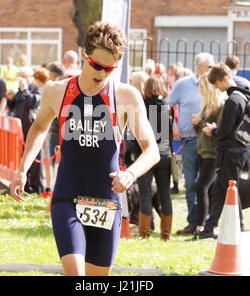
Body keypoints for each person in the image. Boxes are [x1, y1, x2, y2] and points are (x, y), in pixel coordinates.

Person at [9, 21, 160, 276]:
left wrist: (130, 174)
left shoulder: (125, 96)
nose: (101, 74)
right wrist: (22, 170)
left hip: (106, 203)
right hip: (68, 197)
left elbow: (152, 150)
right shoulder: (57, 91)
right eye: (97, 65)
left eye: (109, 68)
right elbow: (38, 128)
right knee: (75, 273)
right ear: (84, 55)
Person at [197, 62, 250, 239]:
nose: (217, 89)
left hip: (230, 152)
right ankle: (209, 228)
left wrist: (212, 130)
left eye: (217, 84)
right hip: (236, 150)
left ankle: (239, 228)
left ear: (225, 79)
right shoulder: (242, 96)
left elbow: (225, 131)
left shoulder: (232, 101)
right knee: (220, 191)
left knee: (230, 190)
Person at [169, 52, 214, 235]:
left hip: (209, 141)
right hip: (188, 139)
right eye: (209, 66)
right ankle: (193, 222)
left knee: (205, 183)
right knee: (190, 183)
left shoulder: (213, 84)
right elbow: (168, 105)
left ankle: (207, 221)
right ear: (199, 67)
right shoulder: (182, 84)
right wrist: (173, 125)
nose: (212, 70)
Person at [136, 75, 173, 241]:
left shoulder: (142, 106)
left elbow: (134, 133)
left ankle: (144, 233)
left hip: (145, 154)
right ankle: (165, 234)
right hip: (164, 155)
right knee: (165, 194)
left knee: (145, 194)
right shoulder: (167, 106)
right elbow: (170, 134)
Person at [192, 73, 227, 238]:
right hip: (204, 151)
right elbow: (203, 131)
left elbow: (218, 131)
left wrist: (203, 124)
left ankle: (202, 226)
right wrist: (197, 125)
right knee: (209, 189)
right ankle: (209, 226)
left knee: (202, 187)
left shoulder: (219, 106)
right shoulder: (207, 106)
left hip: (213, 153)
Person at [225, 55, 250, 179]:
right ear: (237, 66)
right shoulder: (241, 81)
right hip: (245, 125)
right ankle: (249, 185)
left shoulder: (225, 82)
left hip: (229, 125)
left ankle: (237, 184)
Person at [7, 67, 44, 195]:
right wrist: (10, 99)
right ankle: (26, 187)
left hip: (33, 130)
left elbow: (32, 103)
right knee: (23, 160)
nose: (22, 79)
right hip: (21, 130)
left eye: (25, 76)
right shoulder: (20, 91)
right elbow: (13, 107)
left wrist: (24, 89)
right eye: (20, 76)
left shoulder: (37, 89)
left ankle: (37, 189)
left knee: (35, 160)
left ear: (31, 77)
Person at [34, 68, 53, 193]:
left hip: (48, 129)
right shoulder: (46, 89)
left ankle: (48, 188)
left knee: (47, 160)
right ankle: (48, 187)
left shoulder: (45, 90)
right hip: (48, 128)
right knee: (47, 160)